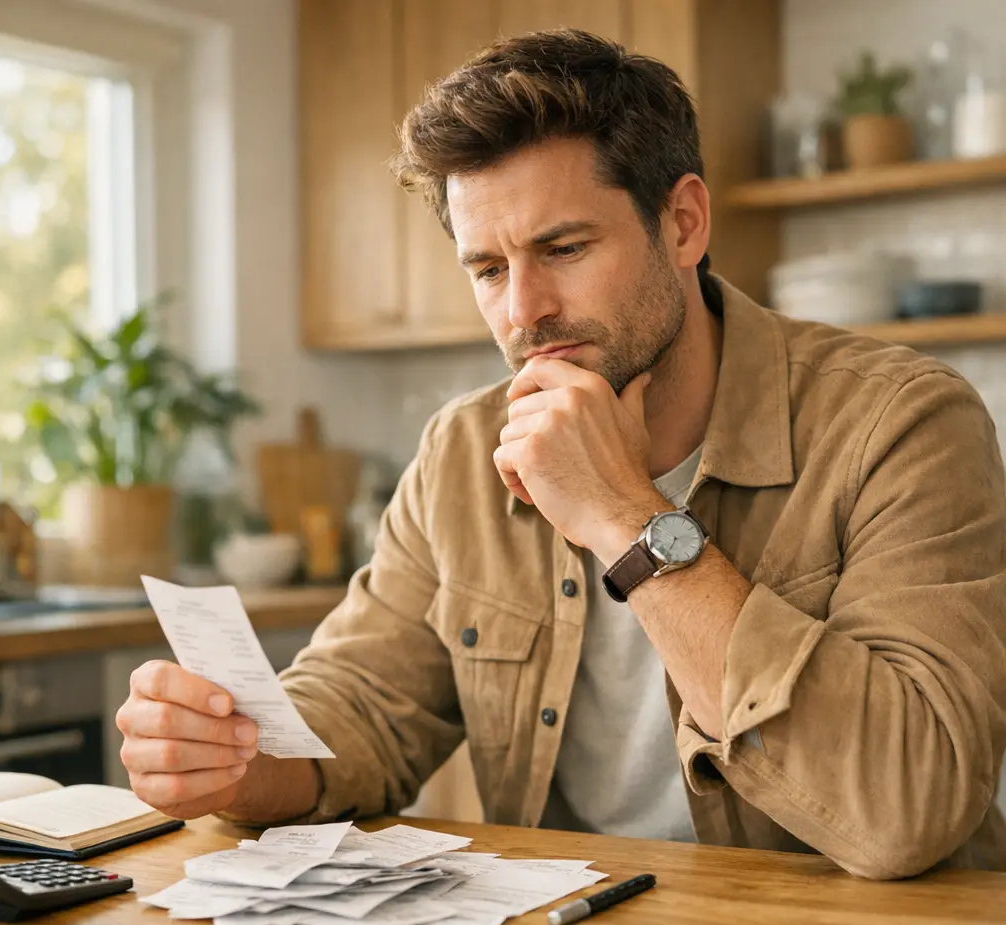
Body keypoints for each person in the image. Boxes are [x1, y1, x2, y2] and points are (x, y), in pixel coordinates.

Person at [115, 29, 1006, 879]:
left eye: (565, 248)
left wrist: (626, 517)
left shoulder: (902, 424)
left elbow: (907, 809)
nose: (523, 311)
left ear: (685, 223)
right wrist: (237, 765)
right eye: (489, 270)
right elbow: (366, 706)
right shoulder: (463, 447)